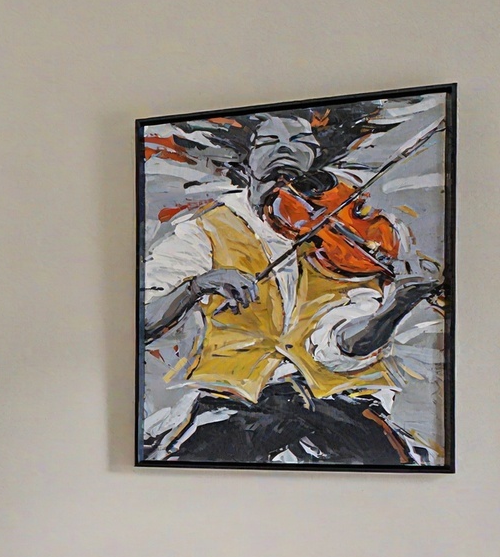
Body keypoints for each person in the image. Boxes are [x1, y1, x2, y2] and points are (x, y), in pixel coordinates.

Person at [140, 110, 445, 465]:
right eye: (270, 141)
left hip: (341, 401)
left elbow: (342, 346)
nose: (286, 150)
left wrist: (396, 305)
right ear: (245, 164)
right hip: (237, 398)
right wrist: (196, 286)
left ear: (317, 157)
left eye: (300, 142)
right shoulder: (205, 230)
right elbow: (143, 322)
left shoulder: (342, 238)